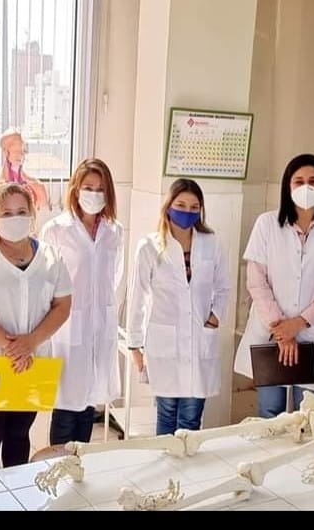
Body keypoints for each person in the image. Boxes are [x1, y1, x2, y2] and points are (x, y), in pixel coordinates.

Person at [0, 182, 72, 473]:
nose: (14, 218)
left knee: (19, 435)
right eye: (6, 213)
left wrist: (30, 343)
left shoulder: (51, 257)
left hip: (32, 363)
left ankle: (16, 494)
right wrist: (12, 347)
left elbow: (62, 306)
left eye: (21, 211)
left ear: (32, 214)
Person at [234, 154, 314, 417]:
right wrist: (282, 329)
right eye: (299, 181)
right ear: (288, 185)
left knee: (309, 414)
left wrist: (299, 323)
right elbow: (257, 282)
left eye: (313, 181)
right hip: (271, 331)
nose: (306, 187)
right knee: (270, 411)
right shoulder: (267, 224)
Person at [127, 178, 231, 435]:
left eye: (194, 207)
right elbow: (138, 297)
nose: (187, 212)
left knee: (191, 417)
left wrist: (214, 319)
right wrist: (135, 345)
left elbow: (224, 287)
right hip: (164, 342)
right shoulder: (150, 247)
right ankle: (166, 460)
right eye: (181, 205)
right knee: (167, 413)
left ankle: (186, 461)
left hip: (199, 338)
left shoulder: (211, 243)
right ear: (168, 206)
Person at [39, 158, 124, 445]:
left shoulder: (114, 231)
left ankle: (80, 465)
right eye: (88, 187)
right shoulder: (56, 229)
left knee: (88, 405)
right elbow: (44, 282)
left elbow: (114, 276)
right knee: (66, 407)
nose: (94, 194)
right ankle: (57, 466)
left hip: (100, 326)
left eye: (100, 189)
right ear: (76, 189)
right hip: (66, 327)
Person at [0, 128, 49, 208]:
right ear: (5, 152)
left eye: (23, 151)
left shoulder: (33, 185)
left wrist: (27, 180)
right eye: (17, 151)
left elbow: (43, 201)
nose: (21, 155)